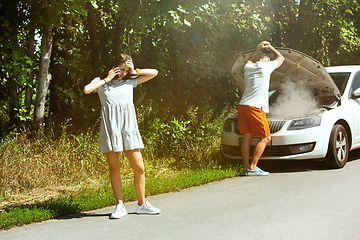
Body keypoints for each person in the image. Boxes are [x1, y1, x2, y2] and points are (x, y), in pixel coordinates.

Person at [84, 53, 161, 218]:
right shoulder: (101, 83)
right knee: (115, 168)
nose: (124, 73)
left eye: (126, 70)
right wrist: (107, 78)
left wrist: (135, 70)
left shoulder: (130, 81)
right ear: (113, 66)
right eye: (122, 69)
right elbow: (87, 89)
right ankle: (120, 205)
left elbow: (154, 73)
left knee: (139, 168)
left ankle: (141, 204)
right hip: (111, 130)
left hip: (128, 129)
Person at [238, 41, 285, 176]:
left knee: (247, 137)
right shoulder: (266, 67)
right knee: (266, 138)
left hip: (243, 106)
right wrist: (270, 47)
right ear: (267, 60)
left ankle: (246, 168)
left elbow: (250, 59)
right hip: (255, 107)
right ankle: (253, 167)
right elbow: (281, 58)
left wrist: (257, 48)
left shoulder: (248, 67)